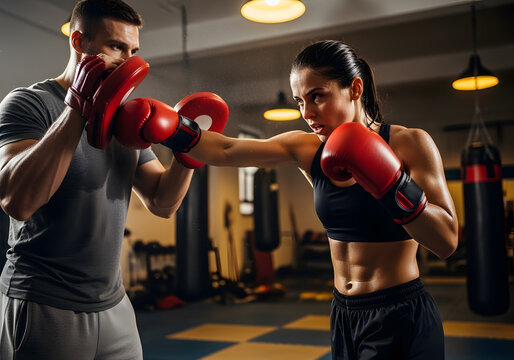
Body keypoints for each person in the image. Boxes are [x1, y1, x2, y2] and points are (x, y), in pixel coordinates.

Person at [117, 39, 459, 359]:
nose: (307, 112)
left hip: (400, 312)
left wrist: (390, 183)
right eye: (300, 101)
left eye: (318, 96)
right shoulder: (308, 148)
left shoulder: (409, 143)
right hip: (343, 313)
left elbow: (446, 241)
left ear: (355, 88)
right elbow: (227, 148)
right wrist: (174, 128)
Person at [0, 1, 195, 359]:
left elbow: (162, 203)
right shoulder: (30, 103)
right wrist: (77, 107)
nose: (128, 61)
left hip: (114, 303)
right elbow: (18, 201)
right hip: (46, 301)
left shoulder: (126, 119)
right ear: (78, 42)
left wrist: (187, 152)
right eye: (116, 47)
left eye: (134, 50)